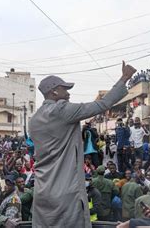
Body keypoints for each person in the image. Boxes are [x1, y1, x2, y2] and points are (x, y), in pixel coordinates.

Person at [28, 61, 136, 227]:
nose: (68, 93)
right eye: (65, 89)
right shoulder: (61, 110)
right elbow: (102, 104)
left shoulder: (34, 120)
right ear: (54, 91)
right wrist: (124, 78)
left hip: (43, 192)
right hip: (65, 192)